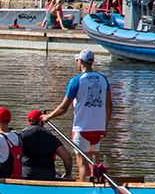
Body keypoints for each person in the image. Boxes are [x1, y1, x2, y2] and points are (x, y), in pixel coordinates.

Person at [42, 49, 112, 182]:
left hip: (82, 128)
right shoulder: (103, 79)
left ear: (80, 61)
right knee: (94, 164)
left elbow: (63, 108)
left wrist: (48, 117)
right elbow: (109, 106)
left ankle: (85, 191)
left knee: (82, 164)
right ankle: (97, 187)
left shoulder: (76, 81)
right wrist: (105, 126)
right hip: (98, 129)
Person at [22, 109, 73, 181]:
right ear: (42, 122)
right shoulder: (51, 137)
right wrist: (68, 175)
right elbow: (67, 157)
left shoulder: (22, 135)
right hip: (48, 175)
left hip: (27, 173)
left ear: (28, 121)